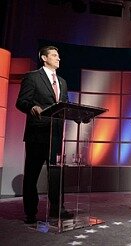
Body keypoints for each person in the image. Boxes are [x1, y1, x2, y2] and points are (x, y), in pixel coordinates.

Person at [16, 46, 70, 224]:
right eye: (55, 55)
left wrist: (76, 115)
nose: (58, 58)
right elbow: (21, 101)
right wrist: (31, 107)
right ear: (44, 58)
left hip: (56, 135)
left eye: (59, 56)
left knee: (56, 174)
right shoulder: (32, 77)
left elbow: (65, 105)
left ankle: (57, 209)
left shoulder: (62, 81)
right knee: (32, 174)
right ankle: (30, 212)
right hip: (37, 134)